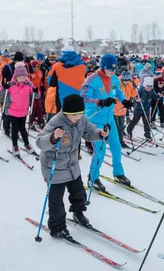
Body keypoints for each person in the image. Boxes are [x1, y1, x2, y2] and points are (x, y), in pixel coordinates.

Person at [35, 94, 109, 238]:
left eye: (80, 113)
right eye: (74, 114)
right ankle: (57, 227)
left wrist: (100, 133)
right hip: (54, 167)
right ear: (66, 112)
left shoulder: (82, 120)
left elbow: (89, 131)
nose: (77, 117)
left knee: (79, 193)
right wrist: (53, 137)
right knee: (56, 201)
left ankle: (78, 213)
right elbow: (39, 142)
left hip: (72, 164)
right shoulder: (55, 123)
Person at [82, 54, 133, 192]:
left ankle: (118, 173)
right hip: (95, 120)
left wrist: (125, 101)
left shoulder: (115, 79)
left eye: (114, 69)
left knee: (116, 147)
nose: (112, 72)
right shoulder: (92, 79)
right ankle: (93, 177)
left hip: (109, 118)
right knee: (100, 149)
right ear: (103, 67)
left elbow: (119, 92)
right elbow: (84, 97)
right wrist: (99, 102)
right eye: (110, 69)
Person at [4, 65, 37, 156]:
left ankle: (27, 144)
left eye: (23, 77)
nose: (22, 79)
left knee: (23, 129)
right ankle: (15, 146)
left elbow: (36, 96)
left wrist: (35, 90)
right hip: (13, 111)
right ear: (16, 77)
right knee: (15, 129)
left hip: (23, 111)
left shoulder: (29, 85)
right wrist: (4, 87)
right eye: (20, 77)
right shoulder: (11, 85)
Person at [47, 46, 87, 112]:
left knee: (63, 120)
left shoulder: (57, 66)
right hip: (79, 98)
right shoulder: (83, 66)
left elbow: (51, 83)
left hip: (62, 100)